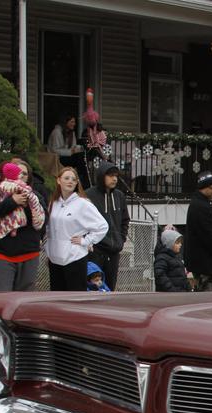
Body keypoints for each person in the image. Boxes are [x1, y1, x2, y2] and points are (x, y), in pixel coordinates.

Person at [0, 162, 47, 292]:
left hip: (29, 253)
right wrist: (12, 201)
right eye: (18, 172)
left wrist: (25, 203)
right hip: (3, 254)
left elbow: (41, 220)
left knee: (25, 298)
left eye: (25, 173)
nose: (21, 175)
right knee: (3, 296)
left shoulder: (34, 196)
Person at [46, 167, 108, 291]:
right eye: (66, 178)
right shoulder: (54, 203)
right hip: (55, 259)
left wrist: (86, 241)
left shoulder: (83, 204)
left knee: (75, 298)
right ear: (58, 180)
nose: (70, 181)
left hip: (74, 258)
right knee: (57, 299)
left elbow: (102, 226)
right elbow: (48, 227)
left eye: (74, 179)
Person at [87, 161, 130, 291]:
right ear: (102, 176)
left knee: (110, 287)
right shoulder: (89, 195)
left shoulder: (119, 196)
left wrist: (121, 240)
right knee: (93, 287)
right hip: (96, 251)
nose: (115, 179)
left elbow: (125, 220)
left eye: (116, 175)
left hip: (114, 252)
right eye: (110, 175)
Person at [183, 172, 212, 291]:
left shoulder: (200, 203)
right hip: (204, 261)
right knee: (207, 294)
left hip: (203, 259)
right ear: (203, 188)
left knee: (204, 291)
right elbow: (208, 235)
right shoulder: (201, 206)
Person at [47, 115, 88, 187]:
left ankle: (84, 180)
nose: (74, 124)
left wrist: (78, 148)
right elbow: (54, 150)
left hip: (67, 157)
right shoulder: (57, 132)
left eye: (74, 122)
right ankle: (84, 183)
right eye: (72, 122)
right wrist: (70, 152)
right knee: (79, 158)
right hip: (58, 158)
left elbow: (73, 146)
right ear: (65, 122)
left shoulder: (71, 133)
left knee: (82, 156)